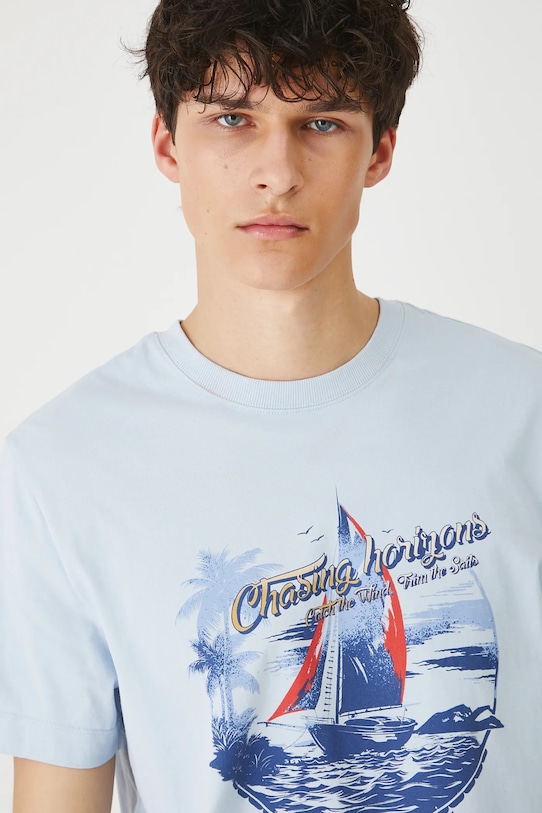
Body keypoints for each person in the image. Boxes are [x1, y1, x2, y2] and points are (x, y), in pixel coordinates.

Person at [1, 0, 541, 811]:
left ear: (380, 151)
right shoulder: (61, 465)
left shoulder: (523, 411)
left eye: (321, 123)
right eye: (232, 119)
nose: (277, 172)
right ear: (167, 145)